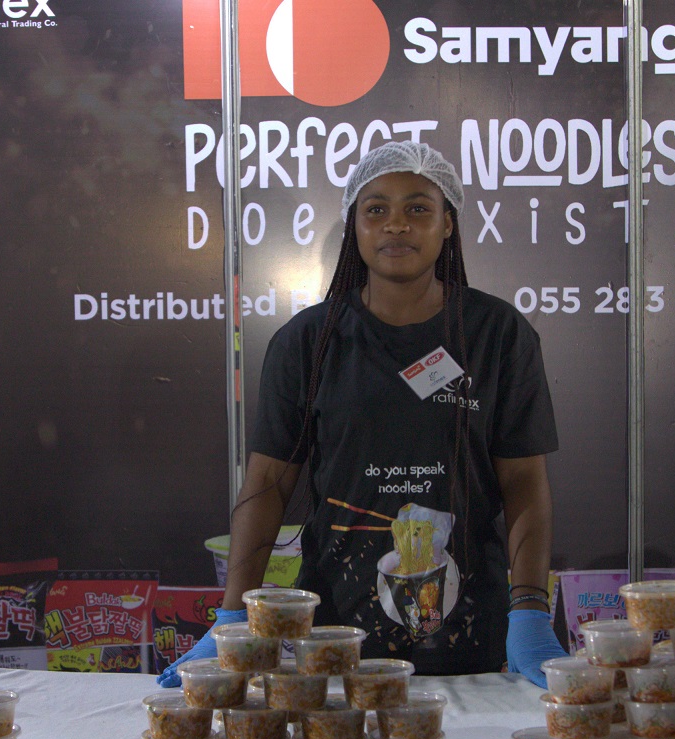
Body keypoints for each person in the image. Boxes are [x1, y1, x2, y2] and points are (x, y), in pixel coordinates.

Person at [158, 141, 566, 687]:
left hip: (471, 632)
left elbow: (523, 483)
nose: (396, 224)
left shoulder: (498, 334)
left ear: (448, 224)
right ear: (355, 225)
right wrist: (234, 614)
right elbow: (268, 484)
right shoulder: (306, 341)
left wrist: (530, 609)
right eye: (376, 209)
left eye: (418, 207)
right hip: (333, 634)